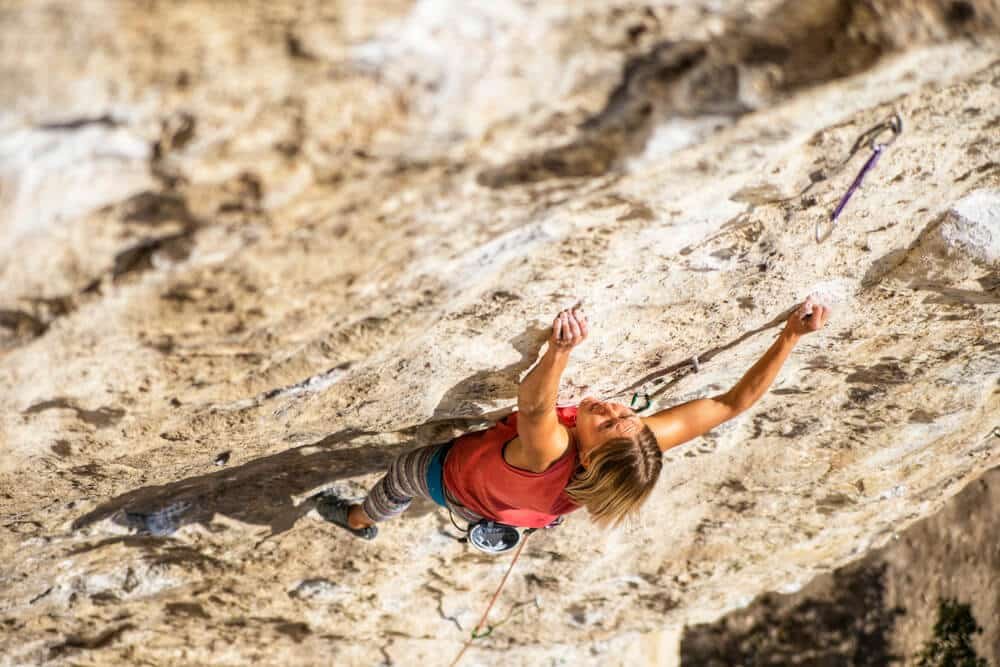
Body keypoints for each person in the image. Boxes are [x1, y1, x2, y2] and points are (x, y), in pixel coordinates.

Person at [315, 297, 830, 546]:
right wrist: (789, 338)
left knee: (405, 472)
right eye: (626, 415)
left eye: (605, 423)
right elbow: (731, 404)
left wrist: (559, 351)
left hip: (453, 483)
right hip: (515, 509)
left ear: (587, 454)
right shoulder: (628, 450)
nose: (613, 408)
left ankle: (361, 520)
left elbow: (535, 406)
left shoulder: (550, 451)